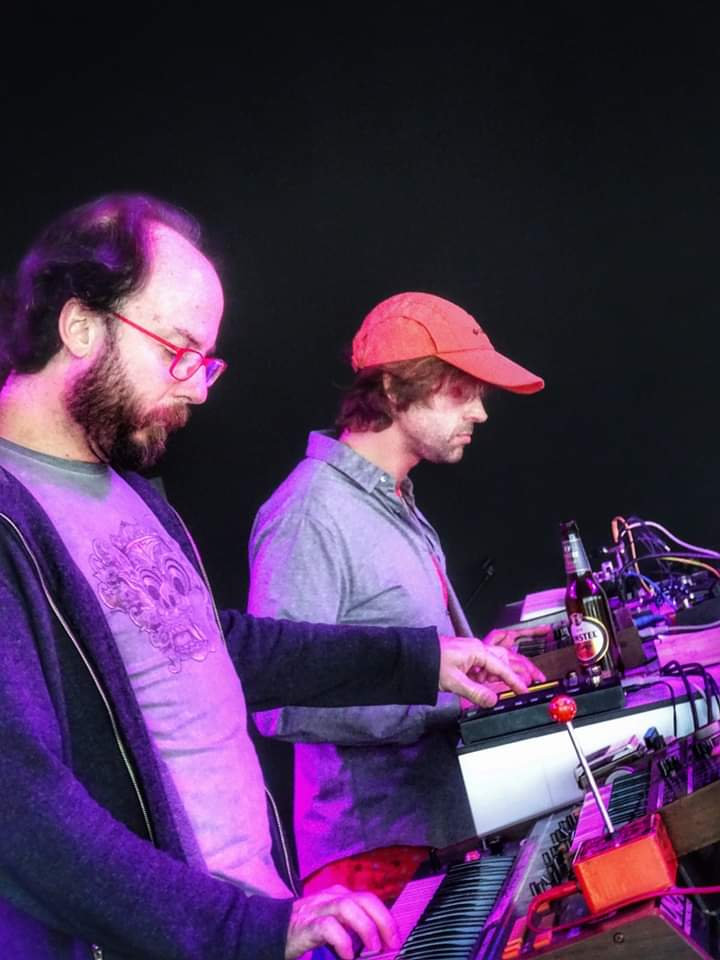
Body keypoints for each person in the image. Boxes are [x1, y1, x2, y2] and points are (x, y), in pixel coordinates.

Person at [0, 199, 538, 960]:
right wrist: (240, 928)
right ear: (82, 326)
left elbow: (217, 647)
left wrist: (423, 661)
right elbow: (20, 807)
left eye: (207, 360)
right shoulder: (11, 513)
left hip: (250, 915)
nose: (199, 389)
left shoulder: (129, 491)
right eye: (179, 351)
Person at [249, 290, 547, 904]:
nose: (480, 413)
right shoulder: (309, 514)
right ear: (392, 388)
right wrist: (439, 695)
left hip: (434, 837)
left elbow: (407, 652)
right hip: (373, 864)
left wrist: (475, 660)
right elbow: (275, 702)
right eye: (461, 391)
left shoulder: (396, 497)